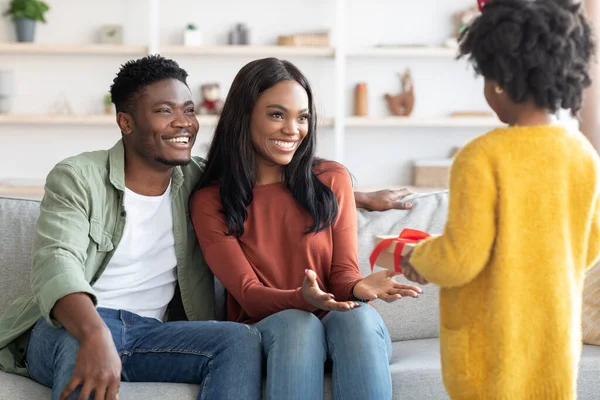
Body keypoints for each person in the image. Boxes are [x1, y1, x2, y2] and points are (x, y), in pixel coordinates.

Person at [0, 55, 414, 400]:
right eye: (165, 111)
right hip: (78, 324)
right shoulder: (80, 177)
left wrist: (356, 197)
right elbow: (58, 263)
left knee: (241, 340)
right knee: (80, 343)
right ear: (125, 122)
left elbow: (274, 184)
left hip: (154, 332)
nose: (183, 123)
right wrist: (95, 335)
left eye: (189, 110)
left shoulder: (192, 178)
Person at [190, 57, 423, 400]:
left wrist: (359, 288)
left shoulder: (331, 178)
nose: (292, 129)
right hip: (272, 333)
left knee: (356, 318)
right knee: (297, 323)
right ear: (244, 116)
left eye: (302, 117)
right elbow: (250, 296)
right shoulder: (211, 201)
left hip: (344, 331)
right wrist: (303, 299)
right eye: (276, 114)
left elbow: (342, 274)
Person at [401, 1, 600, 399]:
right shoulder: (582, 154)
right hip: (553, 350)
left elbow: (461, 258)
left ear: (498, 80)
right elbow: (589, 246)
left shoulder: (481, 156)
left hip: (489, 354)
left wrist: (417, 257)